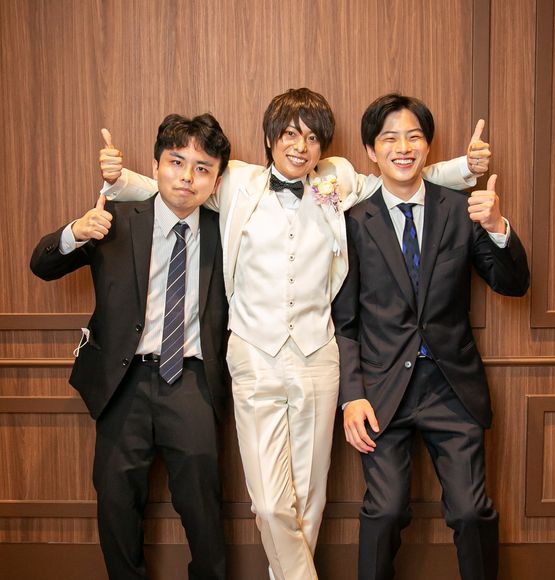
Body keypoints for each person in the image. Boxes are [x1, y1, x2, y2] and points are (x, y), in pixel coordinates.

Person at [98, 88, 489, 580]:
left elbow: (399, 177)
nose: (301, 146)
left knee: (309, 500)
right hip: (254, 354)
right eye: (289, 134)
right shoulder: (236, 181)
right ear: (270, 138)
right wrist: (121, 180)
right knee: (269, 504)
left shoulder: (336, 178)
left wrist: (464, 169)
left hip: (318, 355)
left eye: (312, 137)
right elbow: (179, 186)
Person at [331, 93, 530, 580]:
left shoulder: (461, 210)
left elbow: (514, 284)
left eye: (414, 137)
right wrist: (352, 396)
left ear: (428, 146)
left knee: (470, 511)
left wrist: (497, 226)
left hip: (451, 385)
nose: (403, 148)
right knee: (384, 511)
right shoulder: (354, 222)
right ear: (371, 151)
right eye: (389, 139)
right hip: (382, 390)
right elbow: (345, 322)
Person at [30, 114, 231, 580]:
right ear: (155, 166)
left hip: (192, 379)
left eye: (202, 168)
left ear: (217, 180)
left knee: (202, 502)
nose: (187, 176)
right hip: (123, 380)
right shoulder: (115, 220)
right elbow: (42, 264)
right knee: (116, 500)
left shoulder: (227, 232)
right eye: (176, 162)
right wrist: (75, 232)